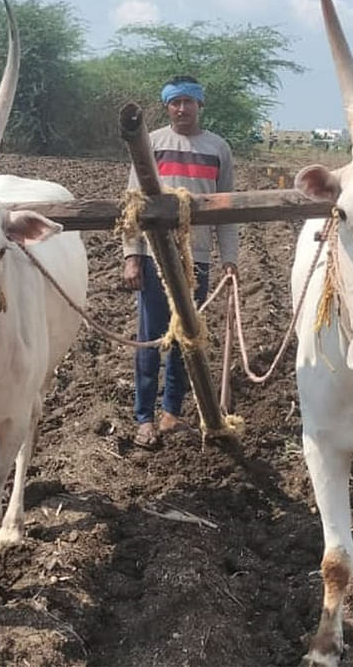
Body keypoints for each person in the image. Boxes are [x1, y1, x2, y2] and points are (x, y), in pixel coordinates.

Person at [122, 75, 239, 449]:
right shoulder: (150, 145)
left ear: (200, 105)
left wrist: (230, 259)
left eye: (189, 102)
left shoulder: (218, 149)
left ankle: (172, 410)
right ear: (167, 106)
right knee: (152, 337)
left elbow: (227, 209)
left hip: (197, 259)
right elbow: (133, 206)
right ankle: (144, 417)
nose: (182, 108)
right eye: (175, 102)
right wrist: (132, 256)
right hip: (155, 258)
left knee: (188, 337)